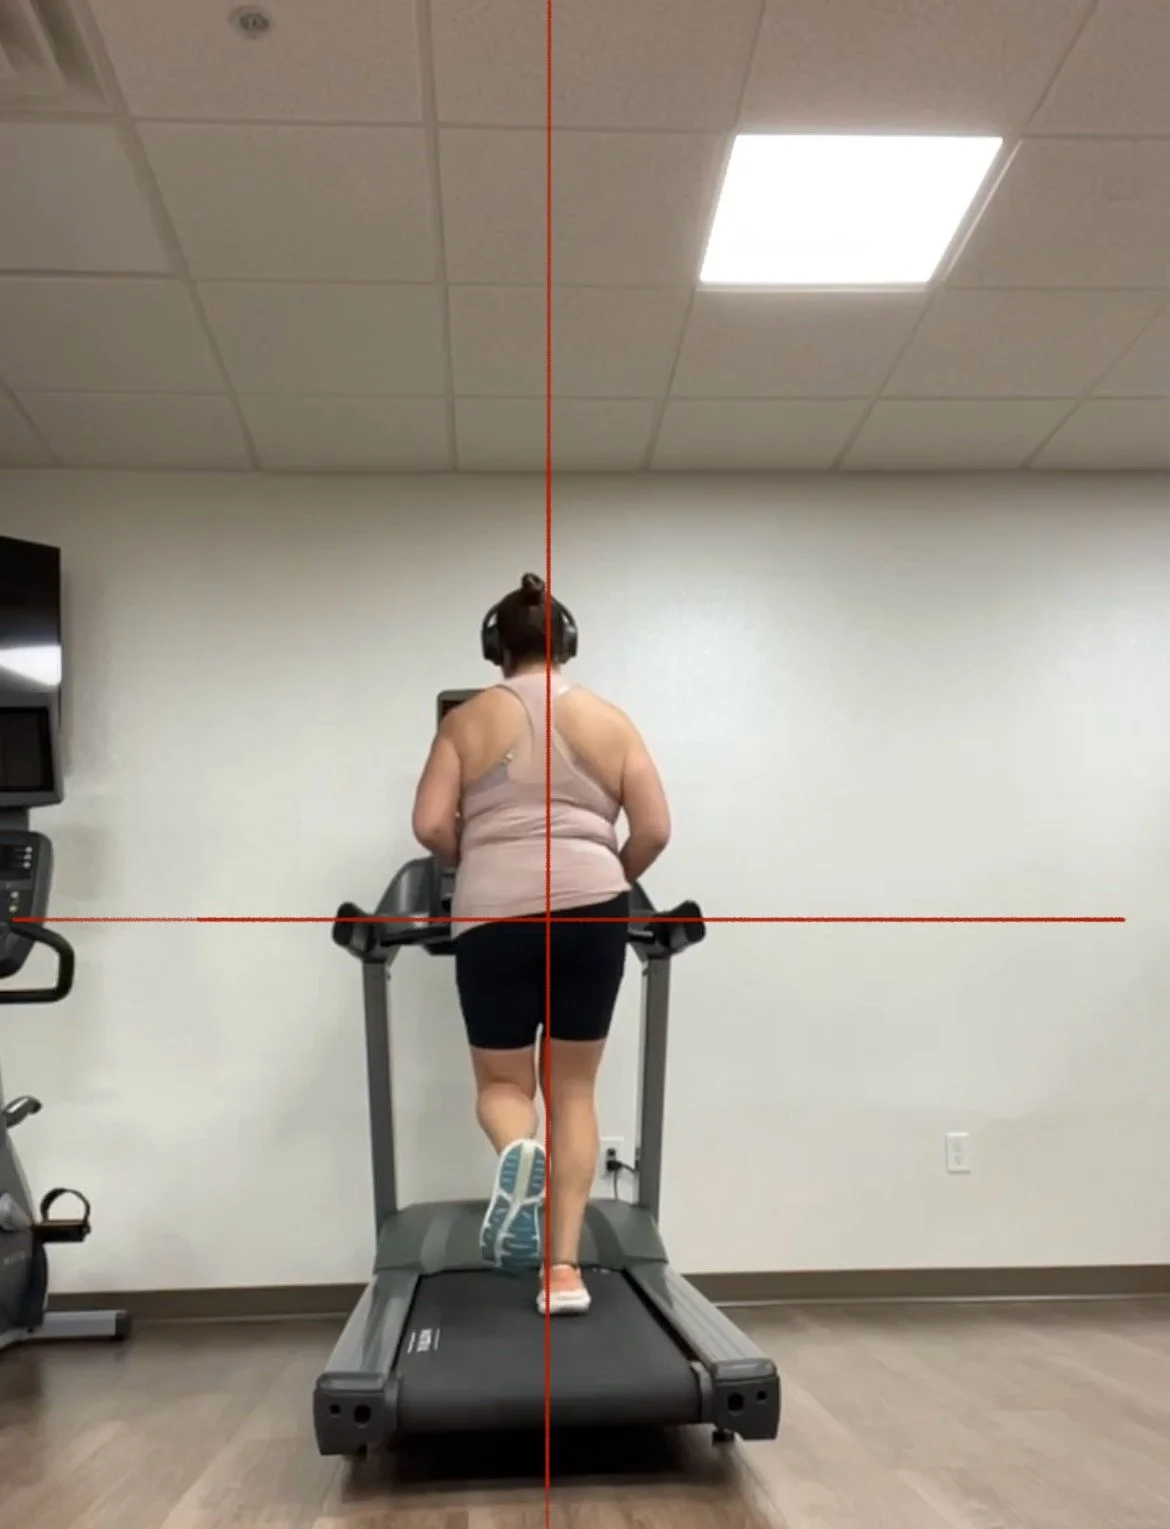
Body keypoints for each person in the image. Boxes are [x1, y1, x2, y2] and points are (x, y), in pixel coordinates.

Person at [410, 573, 671, 1316]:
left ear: (497, 648)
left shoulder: (465, 722)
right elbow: (654, 828)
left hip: (493, 911)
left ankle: (516, 1151)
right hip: (593, 909)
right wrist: (605, 879)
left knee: (503, 1088)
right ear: (569, 643)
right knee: (576, 1090)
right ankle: (563, 1274)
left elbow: (430, 825)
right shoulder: (611, 719)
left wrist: (483, 853)